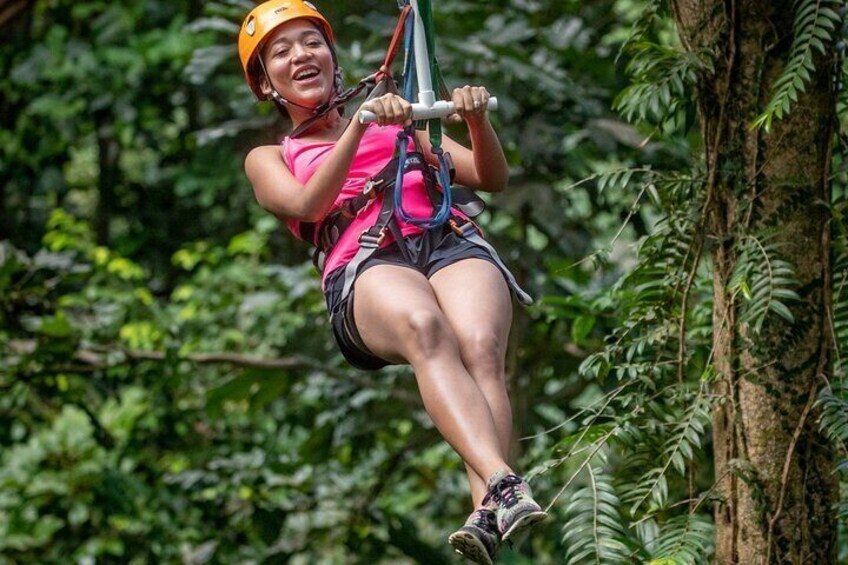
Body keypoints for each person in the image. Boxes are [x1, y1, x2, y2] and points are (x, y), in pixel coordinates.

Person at [238, 1, 546, 562]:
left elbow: (489, 177)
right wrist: (360, 125)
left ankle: (487, 512)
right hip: (365, 262)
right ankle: (503, 480)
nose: (300, 55)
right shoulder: (269, 157)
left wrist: (475, 120)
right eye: (280, 53)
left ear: (332, 56)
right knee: (426, 326)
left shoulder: (400, 124)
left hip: (445, 238)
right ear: (266, 84)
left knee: (480, 347)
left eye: (311, 42)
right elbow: (310, 203)